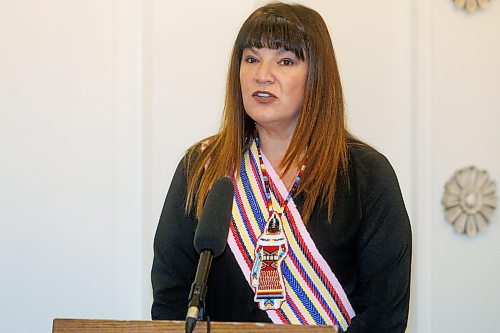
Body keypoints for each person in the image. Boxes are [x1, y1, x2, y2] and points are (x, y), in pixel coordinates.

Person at [151, 2, 411, 333]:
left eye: (285, 61)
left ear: (317, 75)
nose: (262, 75)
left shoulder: (367, 174)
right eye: (251, 58)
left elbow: (384, 315)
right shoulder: (202, 167)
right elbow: (171, 299)